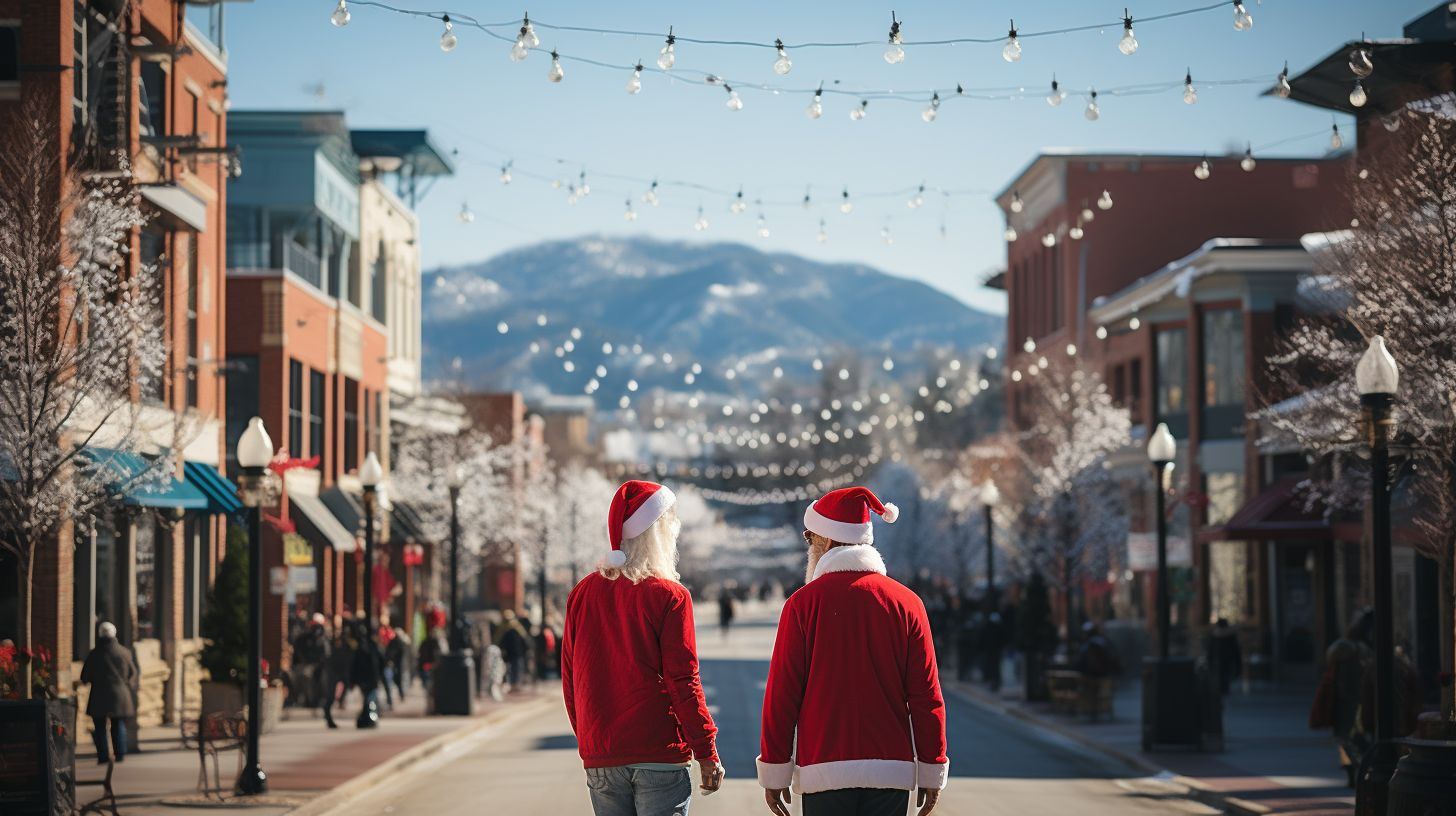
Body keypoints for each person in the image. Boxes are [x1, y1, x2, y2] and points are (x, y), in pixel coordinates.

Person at [759, 486, 947, 816]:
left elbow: (782, 694)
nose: (809, 546)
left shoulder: (802, 605)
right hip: (890, 769)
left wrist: (776, 770)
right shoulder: (907, 603)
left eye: (810, 537)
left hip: (824, 767)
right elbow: (926, 695)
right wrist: (932, 766)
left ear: (827, 540)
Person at [562, 480, 724, 815]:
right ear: (658, 533)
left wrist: (591, 738)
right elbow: (683, 679)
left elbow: (571, 678)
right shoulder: (669, 594)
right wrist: (706, 751)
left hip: (602, 753)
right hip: (658, 751)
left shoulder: (582, 593)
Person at [80, 622, 137, 764]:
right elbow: (132, 673)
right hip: (120, 695)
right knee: (118, 724)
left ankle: (103, 756)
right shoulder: (124, 652)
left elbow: (85, 677)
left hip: (99, 695)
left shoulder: (94, 653)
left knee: (100, 726)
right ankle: (120, 753)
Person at [496, 609, 532, 691]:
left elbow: (524, 639)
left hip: (515, 652)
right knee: (511, 669)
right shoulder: (506, 629)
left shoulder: (515, 628)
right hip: (511, 653)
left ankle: (515, 683)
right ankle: (512, 684)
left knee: (516, 668)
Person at [1207, 618, 1243, 695]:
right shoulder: (1230, 637)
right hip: (1227, 662)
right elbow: (1236, 653)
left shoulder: (1214, 636)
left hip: (1218, 663)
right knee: (1225, 678)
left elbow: (1210, 652)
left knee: (1220, 679)